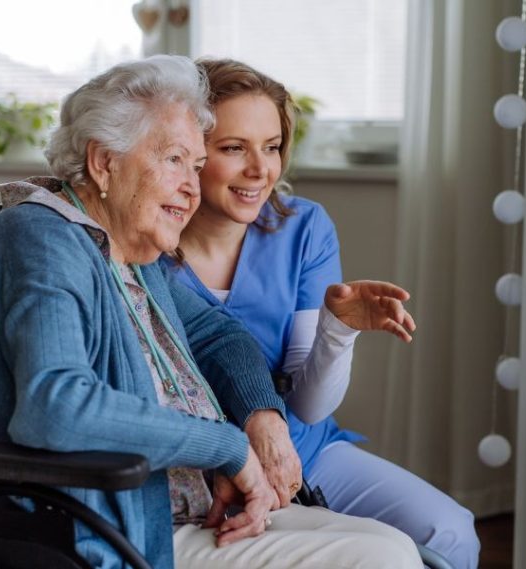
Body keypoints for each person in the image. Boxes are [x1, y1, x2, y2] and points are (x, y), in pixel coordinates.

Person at [0, 55, 421, 569]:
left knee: (395, 545)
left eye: (196, 166)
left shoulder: (125, 248)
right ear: (104, 163)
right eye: (174, 160)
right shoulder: (41, 240)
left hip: (172, 512)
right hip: (98, 530)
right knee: (380, 558)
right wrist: (226, 449)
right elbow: (55, 408)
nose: (192, 188)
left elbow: (219, 335)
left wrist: (261, 415)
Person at [162, 57, 481, 568]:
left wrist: (340, 329)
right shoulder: (146, 243)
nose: (260, 170)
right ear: (188, 153)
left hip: (303, 450)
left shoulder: (302, 229)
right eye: (233, 148)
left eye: (271, 147)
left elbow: (310, 408)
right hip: (199, 469)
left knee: (450, 533)